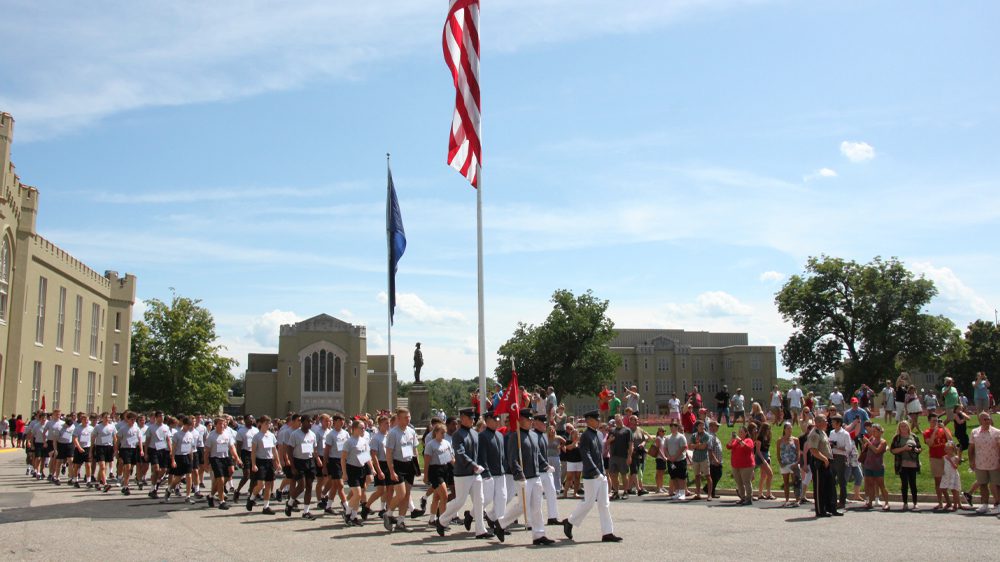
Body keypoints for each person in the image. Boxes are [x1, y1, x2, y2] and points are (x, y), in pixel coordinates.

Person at [494, 409, 555, 546]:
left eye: (531, 419)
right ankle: (501, 523)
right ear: (520, 420)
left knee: (537, 507)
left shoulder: (533, 436)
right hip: (524, 477)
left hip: (536, 475)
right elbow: (512, 458)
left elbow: (537, 454)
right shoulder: (515, 436)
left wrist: (545, 466)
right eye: (528, 419)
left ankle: (539, 535)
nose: (531, 421)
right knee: (523, 507)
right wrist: (518, 474)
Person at [561, 409, 621, 543]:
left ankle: (607, 532)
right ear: (589, 420)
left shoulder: (599, 434)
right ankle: (569, 521)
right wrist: (594, 471)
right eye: (596, 419)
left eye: (599, 418)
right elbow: (586, 454)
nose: (599, 420)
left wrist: (602, 472)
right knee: (588, 502)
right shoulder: (586, 436)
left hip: (601, 474)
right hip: (591, 475)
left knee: (604, 504)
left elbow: (599, 454)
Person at [437, 407, 488, 538]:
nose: (473, 420)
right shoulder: (457, 435)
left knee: (480, 500)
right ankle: (442, 521)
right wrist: (473, 465)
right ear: (463, 418)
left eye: (473, 418)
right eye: (470, 418)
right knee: (460, 501)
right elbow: (460, 454)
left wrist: (481, 466)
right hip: (463, 473)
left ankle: (481, 530)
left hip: (475, 473)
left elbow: (479, 453)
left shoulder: (475, 433)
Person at [384, 407, 419, 532]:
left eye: (409, 416)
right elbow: (388, 453)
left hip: (409, 464)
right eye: (405, 417)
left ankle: (401, 521)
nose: (408, 419)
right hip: (397, 465)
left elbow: (415, 449)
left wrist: (416, 465)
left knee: (406, 495)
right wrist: (391, 471)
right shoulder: (393, 433)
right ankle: (388, 513)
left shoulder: (411, 431)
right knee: (401, 494)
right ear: (398, 419)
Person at [342, 419, 377, 526]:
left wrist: (372, 469)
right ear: (354, 429)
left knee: (359, 495)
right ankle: (348, 513)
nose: (364, 429)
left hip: (361, 469)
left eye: (364, 428)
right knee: (357, 494)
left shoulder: (364, 441)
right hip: (352, 469)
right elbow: (343, 458)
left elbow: (366, 457)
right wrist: (344, 473)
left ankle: (353, 517)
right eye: (361, 428)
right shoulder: (349, 442)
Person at [284, 414, 319, 519]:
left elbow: (314, 449)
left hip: (309, 462)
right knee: (301, 486)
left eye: (311, 422)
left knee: (309, 486)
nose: (310, 423)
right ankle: (290, 503)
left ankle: (306, 512)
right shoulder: (295, 434)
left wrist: (317, 460)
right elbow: (290, 450)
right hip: (299, 462)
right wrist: (292, 465)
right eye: (308, 421)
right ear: (302, 422)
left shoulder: (312, 434)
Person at [423, 423, 454, 533]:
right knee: (444, 496)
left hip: (445, 469)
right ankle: (442, 521)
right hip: (435, 471)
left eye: (444, 432)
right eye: (441, 432)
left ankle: (432, 519)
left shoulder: (446, 443)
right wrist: (425, 476)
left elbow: (451, 458)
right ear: (436, 432)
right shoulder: (431, 445)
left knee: (437, 497)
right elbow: (426, 462)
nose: (443, 434)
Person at [806, 415, 840, 517]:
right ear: (818, 422)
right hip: (819, 462)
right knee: (820, 487)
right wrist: (824, 459)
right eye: (825, 421)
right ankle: (820, 510)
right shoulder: (814, 433)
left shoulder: (822, 432)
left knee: (830, 486)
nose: (827, 423)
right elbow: (813, 450)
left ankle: (831, 508)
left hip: (827, 462)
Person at [478, 411, 507, 527]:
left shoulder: (500, 435)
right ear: (488, 420)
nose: (497, 422)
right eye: (495, 420)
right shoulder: (482, 436)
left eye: (498, 420)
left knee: (502, 498)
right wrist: (486, 472)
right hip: (489, 474)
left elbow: (502, 455)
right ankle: (471, 514)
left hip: (500, 472)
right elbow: (482, 456)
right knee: (486, 499)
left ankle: (500, 524)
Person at [969, 411, 1000, 514]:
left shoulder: (996, 432)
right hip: (980, 463)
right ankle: (985, 505)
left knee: (997, 484)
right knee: (983, 484)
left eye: (989, 418)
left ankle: (999, 504)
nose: (988, 421)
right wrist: (971, 461)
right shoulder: (974, 432)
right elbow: (971, 448)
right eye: (985, 419)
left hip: (994, 463)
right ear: (980, 420)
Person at [247, 415, 278, 514]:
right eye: (266, 423)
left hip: (269, 461)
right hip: (260, 461)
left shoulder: (271, 435)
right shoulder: (257, 436)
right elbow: (253, 452)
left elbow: (274, 449)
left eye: (269, 423)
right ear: (261, 424)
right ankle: (251, 498)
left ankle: (266, 506)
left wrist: (277, 461)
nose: (268, 425)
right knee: (261, 484)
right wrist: (253, 464)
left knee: (269, 484)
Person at [923, 413, 953, 510]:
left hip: (946, 458)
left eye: (937, 420)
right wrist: (935, 431)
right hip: (935, 458)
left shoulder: (944, 429)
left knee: (950, 479)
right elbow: (930, 444)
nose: (936, 422)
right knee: (938, 481)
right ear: (929, 421)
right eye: (933, 421)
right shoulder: (927, 432)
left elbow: (950, 440)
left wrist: (943, 428)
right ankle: (940, 502)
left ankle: (951, 502)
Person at [890, 420, 922, 511]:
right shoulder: (897, 438)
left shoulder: (914, 436)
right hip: (902, 464)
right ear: (899, 428)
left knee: (913, 484)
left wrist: (916, 450)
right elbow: (892, 450)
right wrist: (903, 448)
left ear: (908, 427)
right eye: (901, 426)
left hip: (913, 463)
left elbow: (919, 448)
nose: (903, 428)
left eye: (905, 426)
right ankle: (905, 503)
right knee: (904, 484)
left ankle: (915, 503)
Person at [860, 423, 889, 510]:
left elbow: (877, 451)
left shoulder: (882, 442)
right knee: (870, 484)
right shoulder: (871, 438)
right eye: (872, 431)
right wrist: (864, 444)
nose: (873, 433)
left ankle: (887, 503)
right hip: (868, 465)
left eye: (875, 431)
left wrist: (868, 442)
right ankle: (870, 502)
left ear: (880, 432)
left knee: (881, 485)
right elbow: (866, 448)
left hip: (878, 466)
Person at [727, 424, 755, 505]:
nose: (740, 433)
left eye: (742, 432)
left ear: (746, 433)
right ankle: (743, 498)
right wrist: (731, 439)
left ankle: (749, 498)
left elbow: (747, 448)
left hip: (747, 465)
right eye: (739, 432)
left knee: (746, 481)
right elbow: (728, 446)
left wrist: (739, 440)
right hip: (736, 465)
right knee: (739, 482)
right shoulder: (736, 440)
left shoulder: (748, 440)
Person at [606, 417, 631, 500]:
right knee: (613, 475)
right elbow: (607, 442)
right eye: (616, 421)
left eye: (619, 420)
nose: (617, 422)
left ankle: (625, 491)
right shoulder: (612, 430)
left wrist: (629, 456)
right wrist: (610, 440)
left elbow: (631, 444)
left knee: (624, 475)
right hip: (613, 456)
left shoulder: (627, 430)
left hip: (623, 456)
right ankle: (616, 492)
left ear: (622, 420)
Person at [777, 422, 799, 507]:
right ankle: (787, 500)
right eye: (788, 428)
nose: (790, 430)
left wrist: (796, 463)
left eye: (791, 428)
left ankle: (797, 499)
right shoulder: (780, 440)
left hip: (793, 463)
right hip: (784, 464)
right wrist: (780, 463)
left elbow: (798, 452)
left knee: (795, 482)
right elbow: (778, 453)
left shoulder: (795, 440)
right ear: (784, 430)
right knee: (786, 482)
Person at [689, 420, 712, 501]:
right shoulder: (693, 435)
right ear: (697, 427)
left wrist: (696, 446)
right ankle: (698, 494)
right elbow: (690, 446)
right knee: (697, 476)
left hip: (704, 458)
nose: (703, 427)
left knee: (707, 476)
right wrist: (698, 445)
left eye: (703, 426)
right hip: (695, 459)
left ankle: (709, 495)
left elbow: (703, 447)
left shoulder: (707, 435)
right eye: (700, 426)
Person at [940, 441, 962, 512]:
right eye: (946, 449)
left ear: (953, 450)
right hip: (946, 474)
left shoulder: (955, 457)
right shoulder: (944, 457)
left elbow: (955, 467)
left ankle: (955, 505)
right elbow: (943, 465)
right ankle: (948, 502)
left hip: (953, 474)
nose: (948, 451)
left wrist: (950, 460)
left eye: (949, 449)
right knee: (943, 488)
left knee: (954, 490)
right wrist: (942, 471)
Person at [755, 422, 774, 500]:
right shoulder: (760, 437)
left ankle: (760, 494)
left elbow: (767, 449)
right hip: (761, 456)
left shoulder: (768, 436)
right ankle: (768, 493)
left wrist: (768, 457)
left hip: (766, 455)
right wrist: (763, 460)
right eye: (768, 429)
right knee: (770, 474)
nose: (769, 430)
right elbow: (758, 450)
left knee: (763, 476)